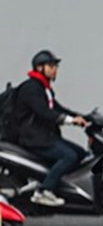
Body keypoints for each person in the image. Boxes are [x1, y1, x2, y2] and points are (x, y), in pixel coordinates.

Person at [16, 50, 88, 207]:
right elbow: (44, 112)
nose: (55, 69)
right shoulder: (31, 88)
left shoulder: (44, 88)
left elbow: (57, 108)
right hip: (34, 139)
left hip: (46, 137)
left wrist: (83, 117)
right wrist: (69, 120)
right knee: (69, 156)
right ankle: (43, 191)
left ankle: (58, 186)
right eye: (51, 66)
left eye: (55, 66)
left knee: (81, 153)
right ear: (39, 67)